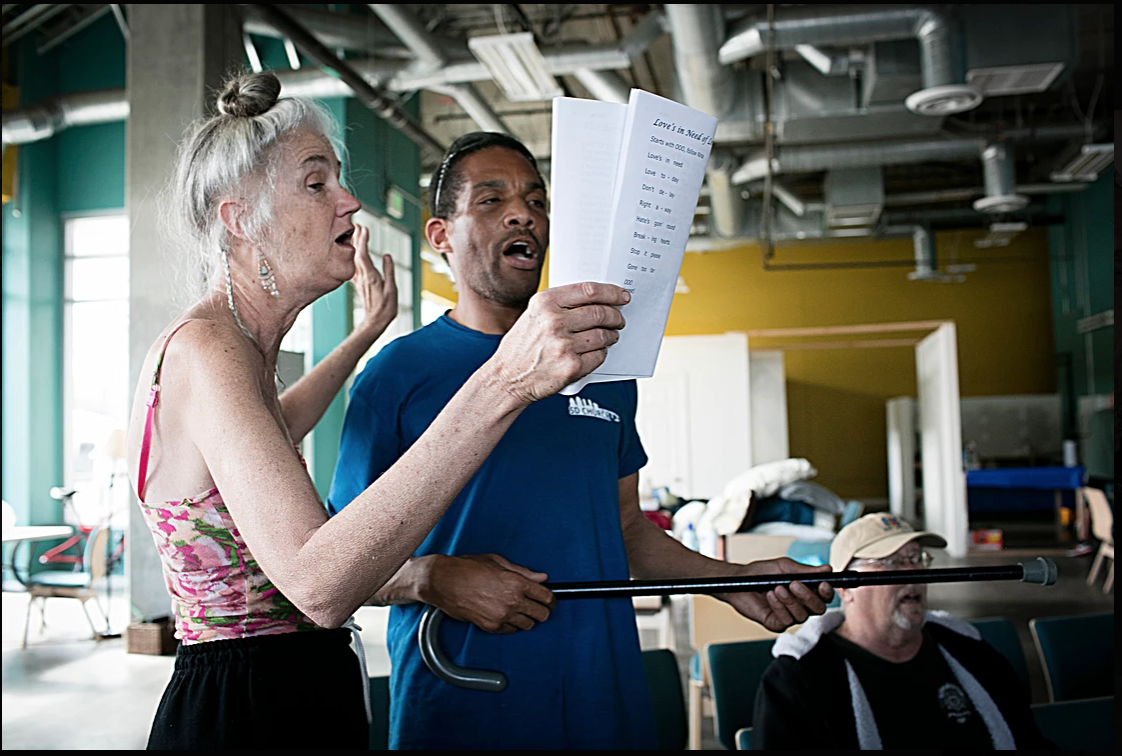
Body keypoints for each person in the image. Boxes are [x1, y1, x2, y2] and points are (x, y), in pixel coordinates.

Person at [125, 72, 632, 751]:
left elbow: (276, 426)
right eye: (317, 184)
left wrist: (367, 331)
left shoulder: (239, 353)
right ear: (240, 218)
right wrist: (505, 381)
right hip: (244, 709)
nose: (349, 201)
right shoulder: (207, 350)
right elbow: (317, 582)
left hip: (293, 690)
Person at [327, 131, 835, 749]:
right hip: (464, 699)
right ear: (440, 237)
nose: (524, 213)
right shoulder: (396, 377)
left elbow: (625, 533)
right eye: (491, 200)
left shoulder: (602, 369)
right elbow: (339, 566)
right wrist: (430, 577)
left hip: (603, 696)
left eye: (536, 202)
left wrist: (733, 581)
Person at [752, 513, 1055, 749]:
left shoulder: (971, 653)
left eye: (916, 559)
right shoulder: (798, 681)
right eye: (890, 562)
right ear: (845, 588)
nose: (912, 573)